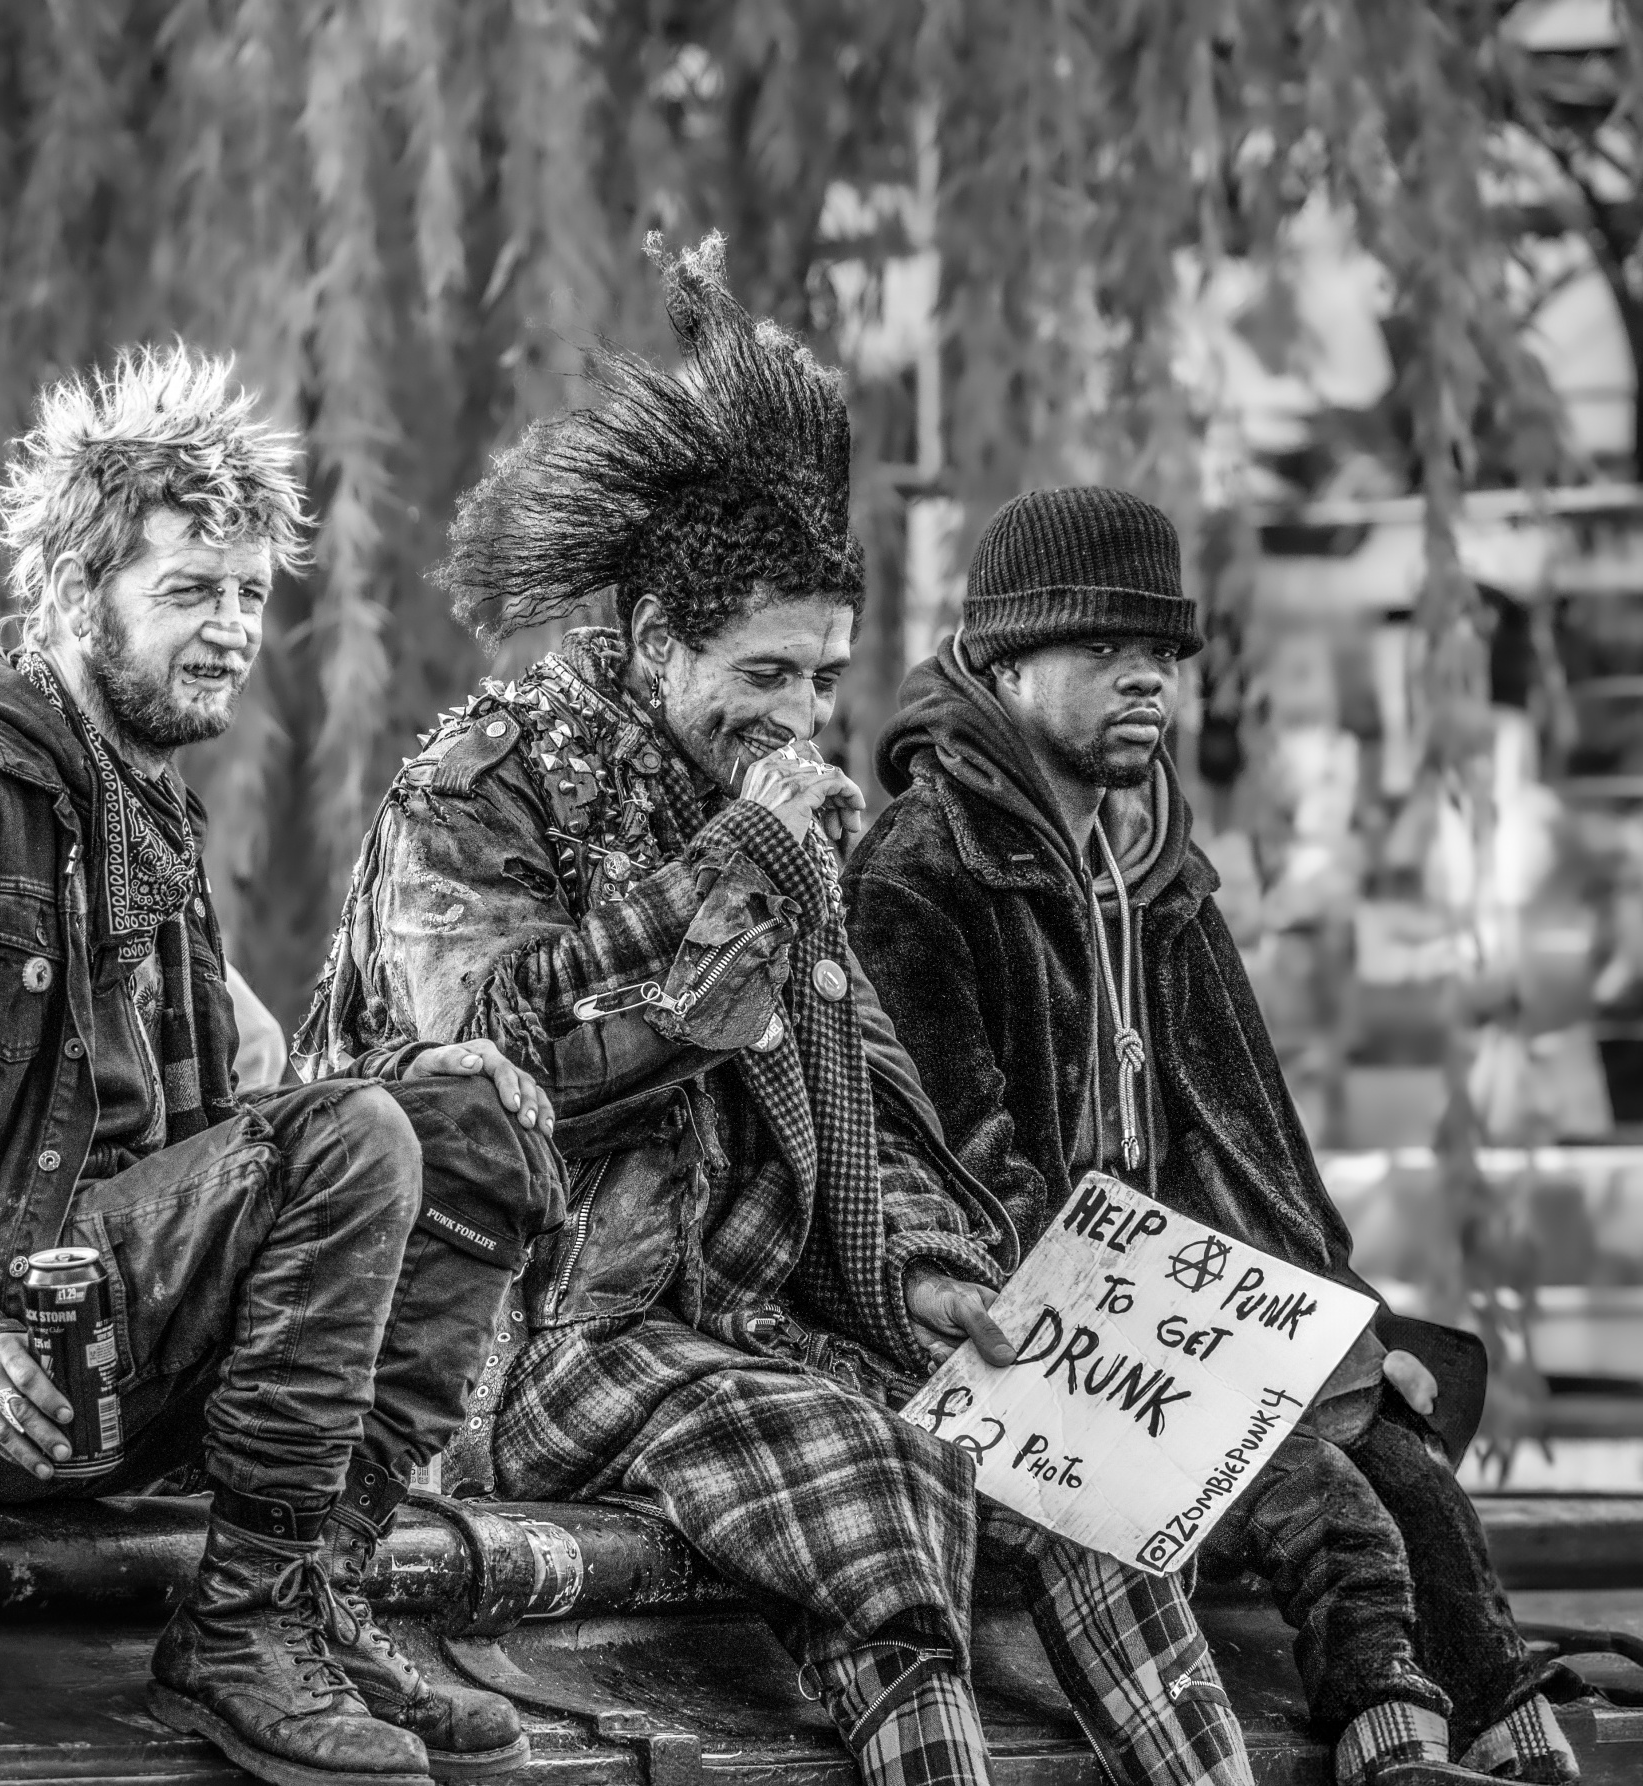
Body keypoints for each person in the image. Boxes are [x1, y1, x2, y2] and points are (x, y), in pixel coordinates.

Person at [296, 237, 1258, 1786]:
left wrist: (929, 1274)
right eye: (766, 673)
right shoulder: (479, 787)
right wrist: (725, 870)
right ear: (654, 643)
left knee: (1076, 1478)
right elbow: (479, 1061)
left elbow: (864, 1080)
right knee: (860, 1469)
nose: (802, 716)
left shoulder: (765, 799)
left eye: (822, 678)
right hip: (514, 1337)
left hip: (732, 1317)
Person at [0, 345, 564, 1786]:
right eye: (189, 591)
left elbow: (228, 1152)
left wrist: (413, 1081)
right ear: (72, 590)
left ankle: (309, 1589)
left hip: (112, 1331)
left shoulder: (144, 808)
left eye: (249, 595)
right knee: (359, 1135)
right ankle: (241, 1634)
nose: (231, 630)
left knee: (479, 1128)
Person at [845, 487, 1580, 1786]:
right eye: (1105, 647)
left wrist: (1342, 1322)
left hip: (1184, 1306)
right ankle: (1392, 1736)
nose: (1149, 678)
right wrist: (1212, 1343)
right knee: (1323, 1493)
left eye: (1163, 652)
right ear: (1006, 662)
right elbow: (954, 1176)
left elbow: (1250, 1145)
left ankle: (1517, 1747)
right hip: (1028, 1327)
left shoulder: (1160, 871)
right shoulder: (918, 872)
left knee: (1398, 1444)